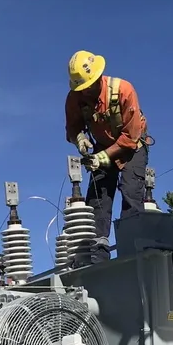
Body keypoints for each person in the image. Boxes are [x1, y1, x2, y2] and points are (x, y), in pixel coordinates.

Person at [64, 50, 152, 264]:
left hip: (132, 148)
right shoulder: (75, 98)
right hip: (102, 146)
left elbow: (130, 139)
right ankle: (98, 255)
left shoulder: (123, 90)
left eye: (89, 86)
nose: (86, 92)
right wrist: (80, 140)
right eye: (81, 88)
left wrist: (102, 157)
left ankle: (132, 252)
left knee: (131, 193)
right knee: (98, 199)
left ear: (97, 77)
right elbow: (73, 128)